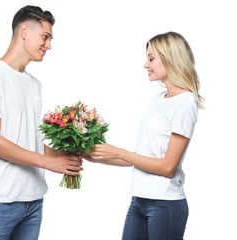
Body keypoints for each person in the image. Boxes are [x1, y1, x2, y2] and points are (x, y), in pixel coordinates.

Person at [0, 5, 82, 240]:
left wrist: (63, 156)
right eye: (45, 36)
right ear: (24, 31)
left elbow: (30, 142)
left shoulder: (35, 85)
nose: (49, 45)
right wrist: (47, 163)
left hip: (33, 200)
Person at [85, 32, 204, 239]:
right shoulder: (157, 99)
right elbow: (142, 157)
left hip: (165, 204)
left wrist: (119, 152)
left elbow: (167, 167)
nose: (145, 65)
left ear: (170, 57)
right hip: (139, 200)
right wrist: (98, 157)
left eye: (151, 58)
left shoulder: (185, 102)